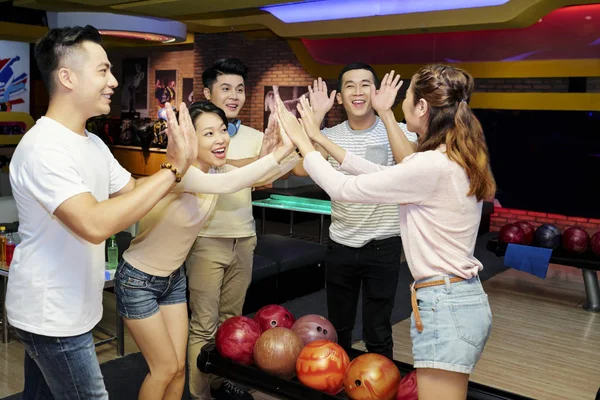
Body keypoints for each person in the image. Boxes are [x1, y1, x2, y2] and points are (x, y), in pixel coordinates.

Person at [277, 64, 496, 400]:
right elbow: (377, 173)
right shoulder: (446, 156)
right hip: (455, 300)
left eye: (406, 96)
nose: (400, 102)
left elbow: (344, 188)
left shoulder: (431, 164)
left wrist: (303, 141)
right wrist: (319, 138)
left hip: (446, 304)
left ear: (422, 107)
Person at [6, 25, 197, 399]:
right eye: (103, 70)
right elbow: (94, 223)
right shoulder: (44, 146)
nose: (113, 80)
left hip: (72, 307)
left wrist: (176, 169)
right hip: (52, 315)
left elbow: (133, 193)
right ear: (67, 77)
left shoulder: (91, 143)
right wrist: (174, 168)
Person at [115, 101, 297, 400]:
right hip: (139, 280)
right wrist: (281, 151)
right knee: (162, 369)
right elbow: (231, 183)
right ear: (189, 138)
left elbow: (259, 175)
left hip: (172, 279)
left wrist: (303, 144)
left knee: (176, 370)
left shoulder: (215, 170)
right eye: (209, 133)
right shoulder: (180, 175)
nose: (221, 138)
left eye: (223, 131)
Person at [186, 58, 300, 400]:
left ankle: (222, 381)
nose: (235, 96)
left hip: (244, 237)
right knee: (203, 325)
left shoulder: (252, 135)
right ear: (207, 93)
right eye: (226, 88)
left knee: (232, 321)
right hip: (206, 240)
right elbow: (222, 172)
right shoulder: (197, 136)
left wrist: (287, 150)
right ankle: (200, 394)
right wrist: (265, 159)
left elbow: (261, 179)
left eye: (239, 89)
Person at [292, 64, 418, 360]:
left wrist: (387, 113)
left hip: (384, 245)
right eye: (350, 85)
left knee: (378, 330)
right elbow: (300, 168)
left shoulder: (397, 130)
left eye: (365, 85)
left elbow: (411, 164)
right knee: (339, 329)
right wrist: (318, 119)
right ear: (340, 97)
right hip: (341, 246)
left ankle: (379, 387)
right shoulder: (330, 135)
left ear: (375, 93)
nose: (358, 91)